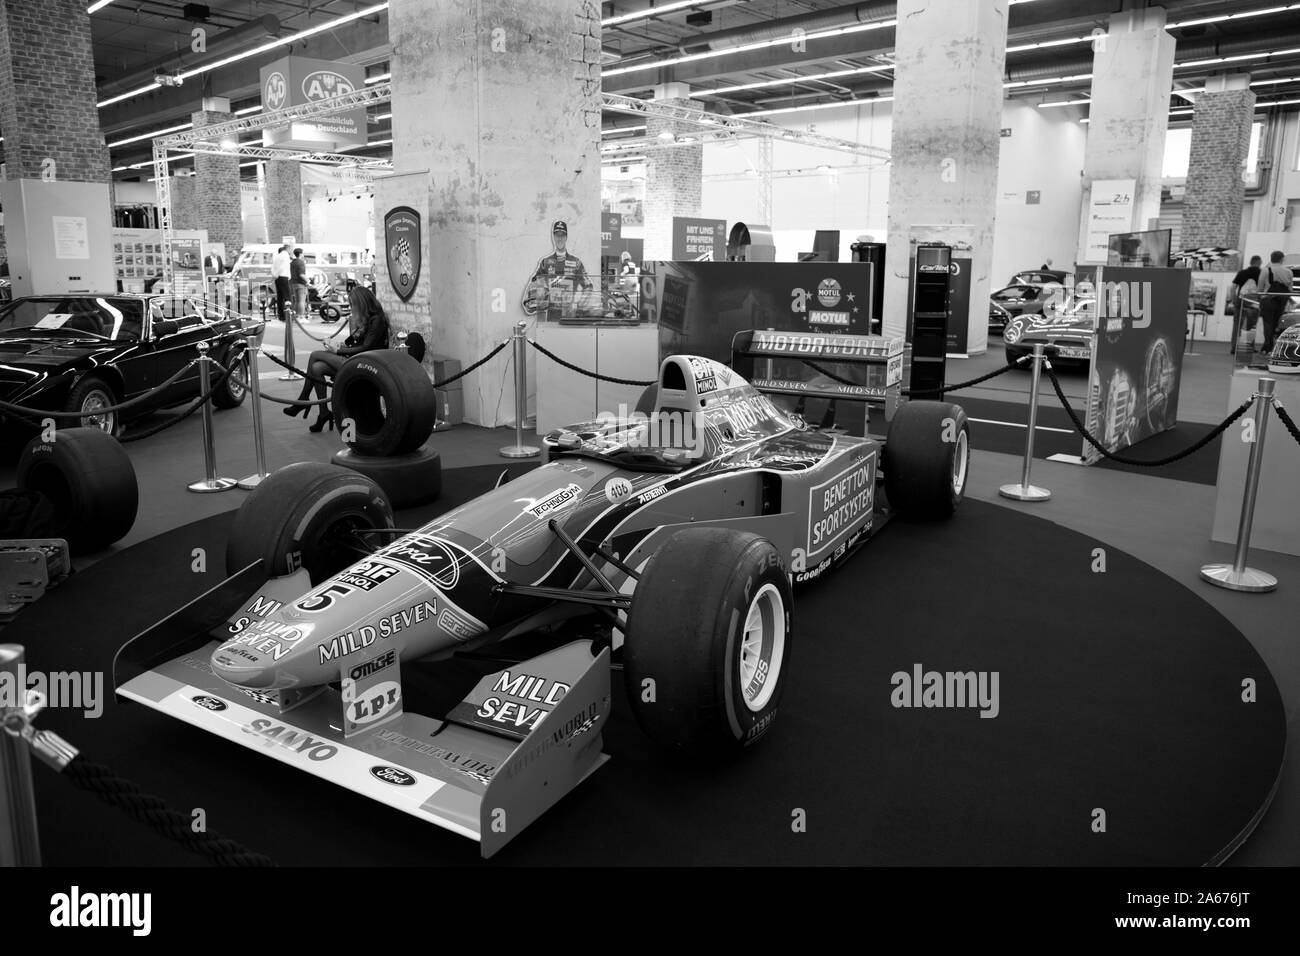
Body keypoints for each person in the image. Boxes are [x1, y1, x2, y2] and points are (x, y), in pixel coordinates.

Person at [284, 285, 390, 432]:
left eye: (353, 304)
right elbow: (351, 342)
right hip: (356, 359)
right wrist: (336, 344)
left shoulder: (376, 319)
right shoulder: (366, 318)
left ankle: (304, 401)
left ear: (362, 303)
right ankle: (323, 413)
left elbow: (367, 347)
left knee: (315, 355)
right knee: (317, 368)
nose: (351, 307)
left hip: (366, 364)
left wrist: (338, 350)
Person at [1259, 250, 1295, 355]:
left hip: (1268, 299)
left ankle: (1268, 346)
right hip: (1282, 300)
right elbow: (1290, 289)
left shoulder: (1265, 270)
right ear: (1281, 259)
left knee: (1267, 323)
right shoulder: (1288, 272)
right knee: (1276, 323)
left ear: (1271, 258)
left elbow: (1260, 287)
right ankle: (1273, 346)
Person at [272, 244, 292, 323]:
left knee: (280, 297)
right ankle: (287, 315)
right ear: (288, 248)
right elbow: (282, 267)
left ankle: (281, 315)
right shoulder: (285, 255)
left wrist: (275, 275)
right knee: (287, 297)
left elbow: (273, 267)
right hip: (283, 276)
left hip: (277, 278)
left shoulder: (277, 256)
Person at [290, 247, 309, 322]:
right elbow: (301, 274)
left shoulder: (292, 262)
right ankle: (301, 317)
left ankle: (296, 317)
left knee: (297, 301)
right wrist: (308, 281)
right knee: (301, 301)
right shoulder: (301, 262)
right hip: (301, 283)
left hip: (294, 283)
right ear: (301, 254)